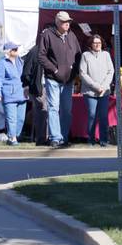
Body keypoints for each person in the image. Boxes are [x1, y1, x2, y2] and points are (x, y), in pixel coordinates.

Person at [38, 11, 82, 148]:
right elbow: (41, 56)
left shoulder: (72, 36)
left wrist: (74, 73)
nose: (67, 23)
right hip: (53, 79)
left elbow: (79, 55)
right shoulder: (47, 35)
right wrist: (55, 70)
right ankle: (55, 137)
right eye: (64, 21)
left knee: (67, 110)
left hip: (68, 80)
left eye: (68, 21)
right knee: (53, 108)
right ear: (57, 22)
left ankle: (64, 136)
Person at [79, 34, 114, 147]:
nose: (97, 45)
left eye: (99, 43)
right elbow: (83, 73)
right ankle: (91, 139)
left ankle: (104, 140)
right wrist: (95, 86)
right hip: (90, 92)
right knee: (92, 115)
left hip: (104, 92)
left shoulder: (106, 55)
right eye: (95, 43)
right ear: (91, 44)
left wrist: (103, 86)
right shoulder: (85, 55)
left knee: (103, 116)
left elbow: (111, 71)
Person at [0, 42, 26, 146]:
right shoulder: (2, 63)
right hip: (9, 94)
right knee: (11, 118)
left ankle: (15, 136)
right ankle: (12, 138)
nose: (17, 51)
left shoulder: (20, 61)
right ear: (9, 51)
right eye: (15, 49)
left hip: (21, 94)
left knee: (21, 118)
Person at [21, 43, 48, 145]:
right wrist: (27, 85)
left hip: (52, 85)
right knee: (43, 110)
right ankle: (42, 138)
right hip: (39, 86)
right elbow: (27, 71)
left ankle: (52, 137)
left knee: (51, 111)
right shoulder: (35, 51)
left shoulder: (55, 48)